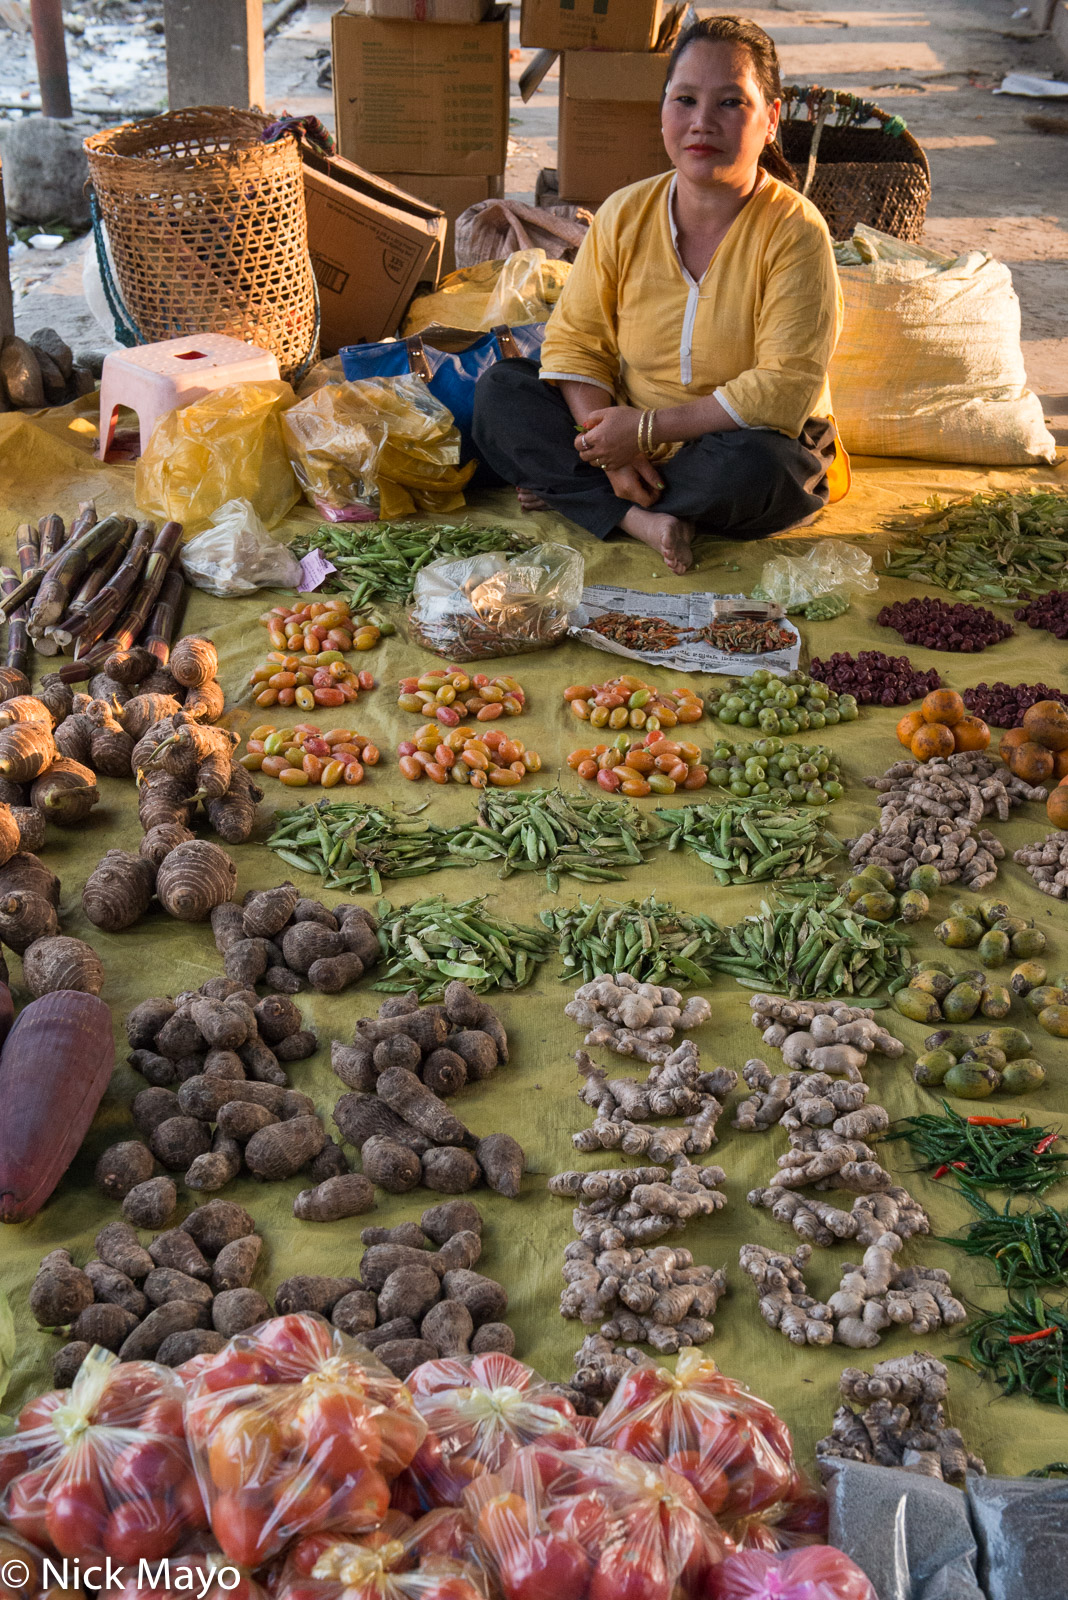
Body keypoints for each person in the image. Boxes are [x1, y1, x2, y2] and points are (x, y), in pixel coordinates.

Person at [471, 15, 849, 575]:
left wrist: (643, 434)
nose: (702, 122)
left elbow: (782, 390)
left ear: (770, 119)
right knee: (502, 392)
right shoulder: (624, 212)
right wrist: (611, 452)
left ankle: (579, 496)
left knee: (765, 470)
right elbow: (577, 342)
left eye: (730, 104)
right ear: (663, 110)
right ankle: (640, 515)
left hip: (735, 443)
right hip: (624, 430)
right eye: (685, 100)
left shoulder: (796, 231)